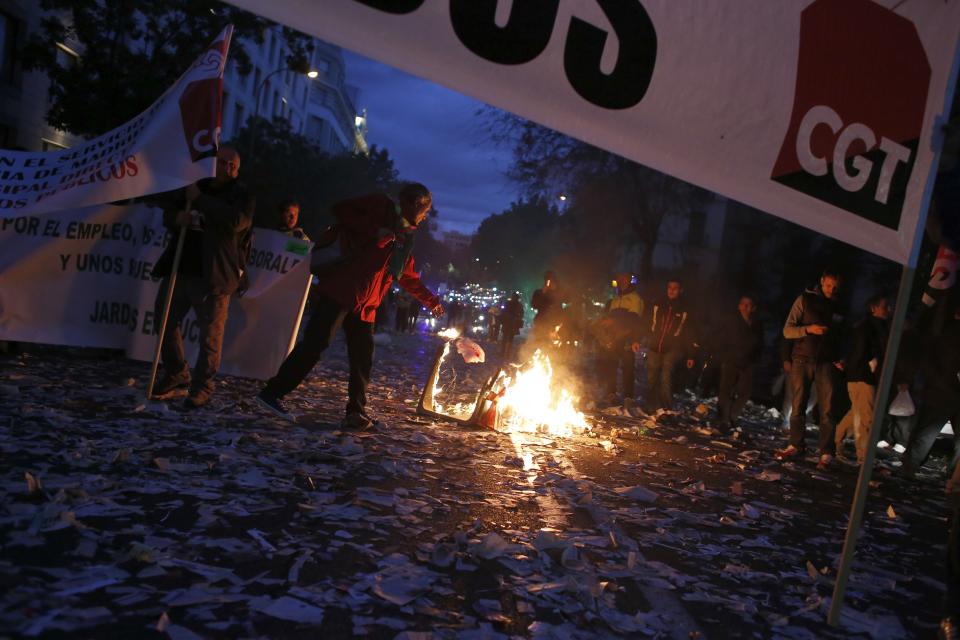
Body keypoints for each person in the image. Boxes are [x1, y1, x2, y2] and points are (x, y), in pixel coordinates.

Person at [257, 183, 444, 427]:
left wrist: (432, 301)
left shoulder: (406, 236)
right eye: (425, 210)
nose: (425, 216)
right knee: (316, 342)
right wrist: (375, 231)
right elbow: (341, 209)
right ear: (415, 204)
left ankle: (356, 411)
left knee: (362, 357)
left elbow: (405, 273)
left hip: (366, 305)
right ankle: (272, 393)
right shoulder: (380, 205)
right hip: (341, 290)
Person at [151, 146, 254, 408]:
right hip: (182, 266)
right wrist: (177, 218)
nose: (227, 167)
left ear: (238, 169)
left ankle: (202, 387)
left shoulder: (241, 194)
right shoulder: (195, 184)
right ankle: (177, 372)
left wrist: (199, 200)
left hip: (215, 274)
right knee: (164, 320)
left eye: (232, 164)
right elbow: (169, 214)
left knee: (210, 335)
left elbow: (236, 221)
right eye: (222, 162)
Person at [776, 269, 845, 469]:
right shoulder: (805, 299)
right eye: (829, 285)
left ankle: (826, 452)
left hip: (826, 362)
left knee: (828, 409)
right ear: (821, 282)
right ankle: (796, 444)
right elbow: (787, 330)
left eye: (835, 286)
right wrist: (808, 329)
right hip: (802, 359)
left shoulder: (839, 306)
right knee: (798, 405)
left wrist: (840, 357)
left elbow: (842, 335)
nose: (831, 289)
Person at [901, 299, 960, 477]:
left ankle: (911, 466)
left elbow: (928, 359)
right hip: (943, 391)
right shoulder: (947, 333)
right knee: (927, 432)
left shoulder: (943, 332)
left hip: (941, 390)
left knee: (927, 432)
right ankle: (953, 475)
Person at [833, 294, 890, 463]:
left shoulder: (873, 326)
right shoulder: (868, 328)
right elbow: (861, 351)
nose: (888, 309)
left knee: (858, 412)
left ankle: (836, 439)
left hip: (860, 375)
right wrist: (868, 366)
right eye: (885, 306)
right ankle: (863, 456)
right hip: (864, 376)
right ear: (873, 308)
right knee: (866, 417)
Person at [645, 279, 697, 412]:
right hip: (654, 345)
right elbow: (647, 321)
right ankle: (652, 406)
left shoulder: (685, 308)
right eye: (669, 287)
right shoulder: (657, 303)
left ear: (680, 290)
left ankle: (666, 408)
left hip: (673, 348)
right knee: (651, 377)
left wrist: (691, 355)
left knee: (666, 377)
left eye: (675, 288)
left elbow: (689, 332)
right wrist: (642, 338)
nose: (672, 290)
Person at [715, 294, 763, 434]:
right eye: (743, 303)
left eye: (748, 304)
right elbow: (721, 338)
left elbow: (759, 342)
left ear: (753, 308)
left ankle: (732, 416)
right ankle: (724, 420)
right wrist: (723, 355)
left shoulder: (756, 324)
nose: (745, 307)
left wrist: (756, 358)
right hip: (731, 359)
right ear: (739, 305)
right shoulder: (731, 320)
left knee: (744, 392)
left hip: (748, 362)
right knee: (726, 391)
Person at [595, 273, 645, 405]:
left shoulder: (635, 299)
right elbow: (608, 318)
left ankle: (629, 396)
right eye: (619, 280)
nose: (621, 282)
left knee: (628, 366)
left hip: (627, 337)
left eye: (624, 279)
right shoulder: (614, 300)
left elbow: (633, 319)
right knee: (611, 364)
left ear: (629, 281)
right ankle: (611, 393)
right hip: (614, 338)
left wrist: (635, 339)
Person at [531, 271, 564, 343]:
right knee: (539, 343)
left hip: (553, 324)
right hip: (541, 323)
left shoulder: (558, 295)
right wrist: (543, 293)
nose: (550, 282)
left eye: (553, 280)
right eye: (548, 279)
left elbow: (560, 310)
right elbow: (534, 305)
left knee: (552, 346)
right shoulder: (539, 292)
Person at [500, 292, 524, 360]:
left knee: (508, 339)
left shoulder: (516, 304)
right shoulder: (512, 304)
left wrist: (516, 318)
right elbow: (504, 312)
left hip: (511, 324)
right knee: (508, 339)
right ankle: (505, 353)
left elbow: (521, 314)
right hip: (509, 323)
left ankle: (505, 353)